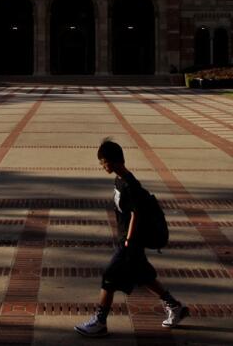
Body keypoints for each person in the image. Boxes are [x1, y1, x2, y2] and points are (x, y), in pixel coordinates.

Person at [75, 138, 188, 338]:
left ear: (114, 160)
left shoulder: (130, 183)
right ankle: (175, 307)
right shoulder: (119, 180)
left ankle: (100, 322)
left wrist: (128, 240)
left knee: (109, 277)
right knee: (145, 276)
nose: (102, 166)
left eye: (104, 162)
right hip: (127, 240)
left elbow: (137, 213)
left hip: (130, 242)